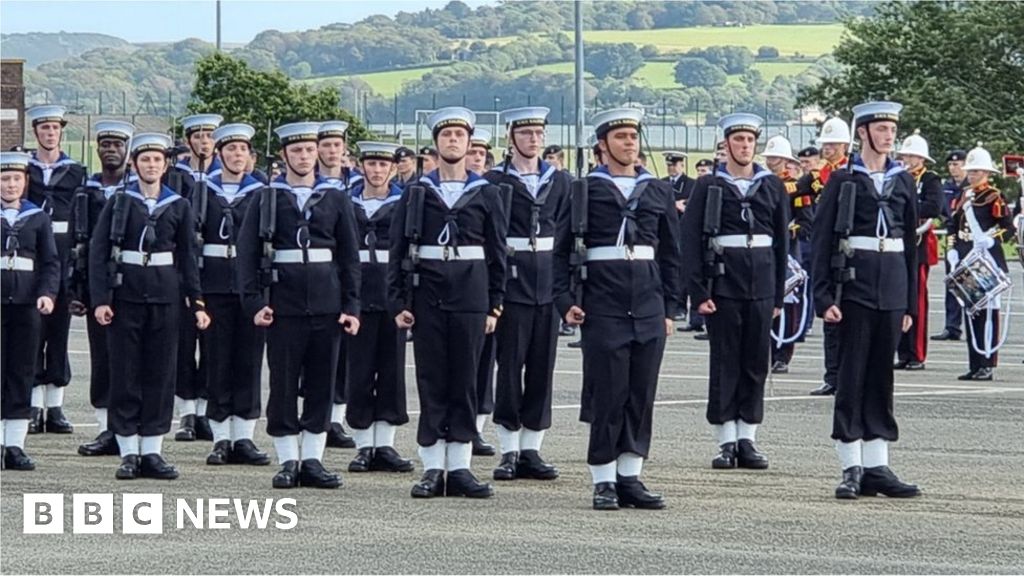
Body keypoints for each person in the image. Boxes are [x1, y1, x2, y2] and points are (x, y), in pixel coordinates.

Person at [554, 108, 680, 510]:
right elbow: (560, 253)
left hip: (647, 301)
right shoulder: (583, 190)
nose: (630, 143)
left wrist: (670, 308)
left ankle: (631, 476)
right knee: (608, 392)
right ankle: (603, 478)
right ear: (602, 146)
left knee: (641, 394)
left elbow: (673, 254)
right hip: (602, 303)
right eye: (622, 137)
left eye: (633, 137)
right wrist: (567, 302)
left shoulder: (656, 190)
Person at [388, 106, 507, 499]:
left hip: (471, 296)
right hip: (428, 295)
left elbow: (497, 252)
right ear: (435, 145)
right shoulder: (417, 191)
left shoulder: (486, 192)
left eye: (459, 136)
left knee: (466, 380)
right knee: (432, 378)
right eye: (446, 136)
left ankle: (459, 467)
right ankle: (431, 467)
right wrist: (399, 300)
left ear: (470, 144)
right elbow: (398, 249)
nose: (453, 141)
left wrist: (495, 304)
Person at [236, 122, 361, 489]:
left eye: (309, 150)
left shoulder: (335, 197)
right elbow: (246, 256)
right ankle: (288, 459)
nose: (304, 157)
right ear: (284, 155)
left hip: (327, 304)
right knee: (284, 384)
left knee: (322, 385)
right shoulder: (265, 198)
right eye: (297, 151)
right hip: (283, 306)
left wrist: (351, 306)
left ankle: (313, 460)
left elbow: (350, 257)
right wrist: (255, 303)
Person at [811, 101, 920, 500]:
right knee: (851, 375)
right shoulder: (844, 180)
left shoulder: (903, 180)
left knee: (881, 376)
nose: (889, 135)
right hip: (854, 285)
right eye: (881, 128)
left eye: (893, 129)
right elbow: (822, 241)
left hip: (890, 284)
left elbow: (909, 244)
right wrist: (823, 297)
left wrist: (909, 304)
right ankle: (851, 465)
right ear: (863, 132)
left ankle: (878, 464)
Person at [89, 133, 211, 480]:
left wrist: (197, 302)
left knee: (160, 374)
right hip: (125, 299)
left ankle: (153, 452)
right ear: (134, 163)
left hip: (165, 298)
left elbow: (188, 258)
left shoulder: (179, 205)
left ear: (166, 164)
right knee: (125, 374)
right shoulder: (119, 203)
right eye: (145, 160)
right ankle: (128, 452)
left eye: (157, 160)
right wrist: (101, 300)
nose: (151, 165)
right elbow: (98, 256)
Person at [681, 114, 787, 470]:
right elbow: (691, 240)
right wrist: (698, 291)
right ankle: (725, 438)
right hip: (723, 283)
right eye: (738, 140)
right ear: (725, 144)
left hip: (761, 281)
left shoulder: (770, 185)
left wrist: (777, 295)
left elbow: (781, 244)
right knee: (725, 360)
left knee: (756, 360)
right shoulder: (708, 185)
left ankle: (748, 437)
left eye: (749, 140)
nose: (744, 146)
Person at [484, 106, 569, 482]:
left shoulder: (560, 181)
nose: (533, 140)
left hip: (548, 281)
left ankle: (532, 448)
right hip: (513, 280)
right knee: (509, 368)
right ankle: (509, 448)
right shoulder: (493, 182)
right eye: (525, 133)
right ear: (511, 138)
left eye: (538, 133)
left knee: (541, 367)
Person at [200, 123, 271, 466]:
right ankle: (221, 437)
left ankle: (244, 436)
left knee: (248, 361)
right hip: (214, 284)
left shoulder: (263, 192)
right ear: (219, 154)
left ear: (251, 156)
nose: (237, 155)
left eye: (242, 150)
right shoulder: (203, 191)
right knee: (217, 361)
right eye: (230, 150)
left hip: (251, 288)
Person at [345, 141, 415, 474]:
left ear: (392, 169)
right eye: (371, 164)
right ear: (361, 166)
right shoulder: (346, 201)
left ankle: (384, 444)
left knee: (391, 371)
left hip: (391, 297)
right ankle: (362, 446)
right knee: (358, 372)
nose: (377, 170)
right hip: (357, 296)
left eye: (383, 165)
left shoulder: (405, 201)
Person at [71, 120, 134, 457]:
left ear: (128, 150)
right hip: (99, 287)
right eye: (105, 143)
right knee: (104, 359)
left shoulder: (139, 191)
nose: (111, 149)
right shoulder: (86, 191)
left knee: (133, 361)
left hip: (135, 286)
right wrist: (78, 293)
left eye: (117, 144)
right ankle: (105, 428)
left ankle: (132, 429)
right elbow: (78, 246)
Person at [24, 105, 86, 435]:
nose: (50, 133)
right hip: (33, 258)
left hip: (63, 254)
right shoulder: (25, 170)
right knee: (34, 333)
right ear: (36, 132)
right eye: (44, 128)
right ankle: (33, 406)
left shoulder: (76, 171)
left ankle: (56, 407)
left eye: (55, 128)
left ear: (62, 131)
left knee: (60, 333)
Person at [1, 151, 59, 470]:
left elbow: (50, 262)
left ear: (25, 182)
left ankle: (15, 444)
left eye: (16, 179)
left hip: (26, 305)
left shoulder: (37, 217)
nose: (10, 185)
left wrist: (47, 293)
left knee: (22, 372)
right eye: (5, 179)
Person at [172, 113, 223, 443]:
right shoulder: (175, 177)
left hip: (216, 272)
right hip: (181, 270)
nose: (204, 142)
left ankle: (205, 409)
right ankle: (186, 411)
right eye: (198, 136)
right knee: (182, 345)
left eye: (209, 136)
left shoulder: (226, 179)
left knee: (212, 346)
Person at [947, 144, 1015, 381]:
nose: (973, 175)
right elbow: (953, 226)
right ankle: (975, 363)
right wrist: (953, 249)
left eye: (977, 171)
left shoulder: (994, 196)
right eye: (971, 171)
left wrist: (991, 239)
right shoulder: (964, 195)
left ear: (986, 173)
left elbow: (1008, 227)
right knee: (971, 310)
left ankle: (987, 362)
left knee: (987, 312)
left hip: (987, 260)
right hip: (967, 257)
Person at [317, 120, 358, 450]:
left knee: (344, 359)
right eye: (326, 145)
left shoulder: (356, 186)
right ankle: (319, 417)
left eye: (337, 145)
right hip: (320, 281)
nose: (332, 151)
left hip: (349, 275)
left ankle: (336, 418)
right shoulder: (310, 187)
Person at [806, 116, 851, 397]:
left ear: (845, 145)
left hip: (846, 250)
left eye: (833, 144)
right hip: (826, 247)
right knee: (831, 318)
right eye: (826, 144)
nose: (828, 148)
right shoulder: (822, 174)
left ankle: (842, 375)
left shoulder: (850, 172)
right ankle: (832, 374)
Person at [894, 131, 944, 371]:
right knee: (898, 299)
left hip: (918, 243)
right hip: (899, 242)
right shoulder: (898, 176)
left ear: (922, 158)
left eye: (912, 155)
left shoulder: (930, 179)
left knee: (917, 301)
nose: (907, 159)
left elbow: (935, 206)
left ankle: (917, 353)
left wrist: (908, 207)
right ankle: (903, 351)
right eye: (906, 154)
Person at [467, 126, 498, 456]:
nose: (475, 157)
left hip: (484, 287)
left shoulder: (490, 192)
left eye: (480, 153)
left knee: (483, 363)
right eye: (471, 152)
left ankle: (476, 428)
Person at [763, 135, 805, 375]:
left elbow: (804, 219)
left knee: (788, 302)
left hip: (789, 245)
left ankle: (783, 353)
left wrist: (790, 232)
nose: (772, 162)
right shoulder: (763, 182)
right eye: (769, 157)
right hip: (767, 246)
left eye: (776, 158)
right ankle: (768, 351)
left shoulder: (796, 186)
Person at [932, 148, 969, 341]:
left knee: (970, 282)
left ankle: (971, 323)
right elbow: (942, 209)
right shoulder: (946, 186)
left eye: (957, 164)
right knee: (952, 281)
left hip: (969, 236)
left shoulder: (970, 186)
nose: (953, 168)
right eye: (950, 165)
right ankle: (952, 325)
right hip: (952, 235)